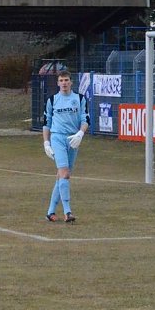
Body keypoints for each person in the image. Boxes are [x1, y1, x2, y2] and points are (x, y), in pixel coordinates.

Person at [42, 70, 89, 223]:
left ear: (71, 82)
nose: (64, 83)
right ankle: (68, 212)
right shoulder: (52, 100)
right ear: (57, 83)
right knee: (65, 173)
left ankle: (50, 212)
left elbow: (85, 119)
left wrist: (80, 134)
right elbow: (46, 123)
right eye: (61, 80)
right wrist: (46, 143)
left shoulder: (80, 99)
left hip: (73, 139)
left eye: (66, 80)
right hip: (58, 138)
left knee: (61, 175)